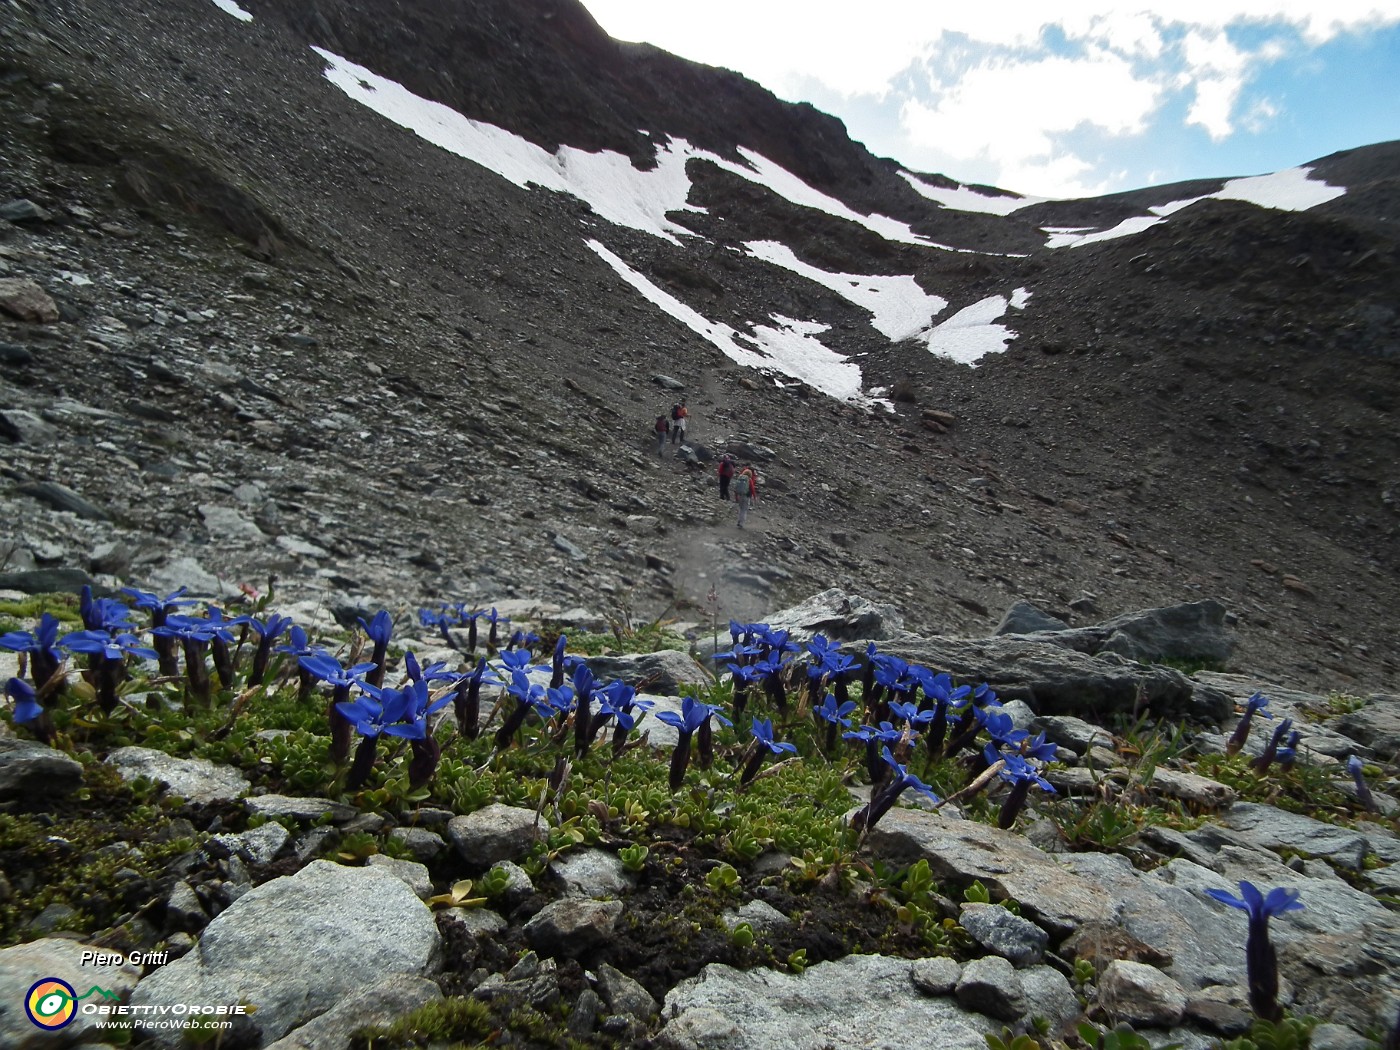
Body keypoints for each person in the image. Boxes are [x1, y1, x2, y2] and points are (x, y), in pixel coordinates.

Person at [735, 463, 757, 529]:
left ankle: (739, 521)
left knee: (740, 509)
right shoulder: (749, 480)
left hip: (739, 495)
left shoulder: (740, 477)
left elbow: (736, 488)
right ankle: (741, 523)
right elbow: (752, 489)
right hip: (746, 496)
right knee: (744, 510)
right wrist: (754, 497)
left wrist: (736, 497)